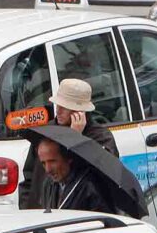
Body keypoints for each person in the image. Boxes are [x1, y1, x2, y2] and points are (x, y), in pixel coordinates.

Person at [19, 78, 118, 209]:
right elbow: (30, 176)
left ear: (81, 112)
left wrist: (75, 139)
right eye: (57, 105)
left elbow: (102, 177)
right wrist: (27, 208)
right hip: (41, 212)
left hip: (79, 214)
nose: (58, 111)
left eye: (64, 107)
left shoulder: (100, 137)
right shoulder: (47, 133)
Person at [37, 138, 116, 213]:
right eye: (43, 163)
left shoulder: (90, 185)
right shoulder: (48, 184)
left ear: (68, 158)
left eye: (52, 161)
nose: (48, 169)